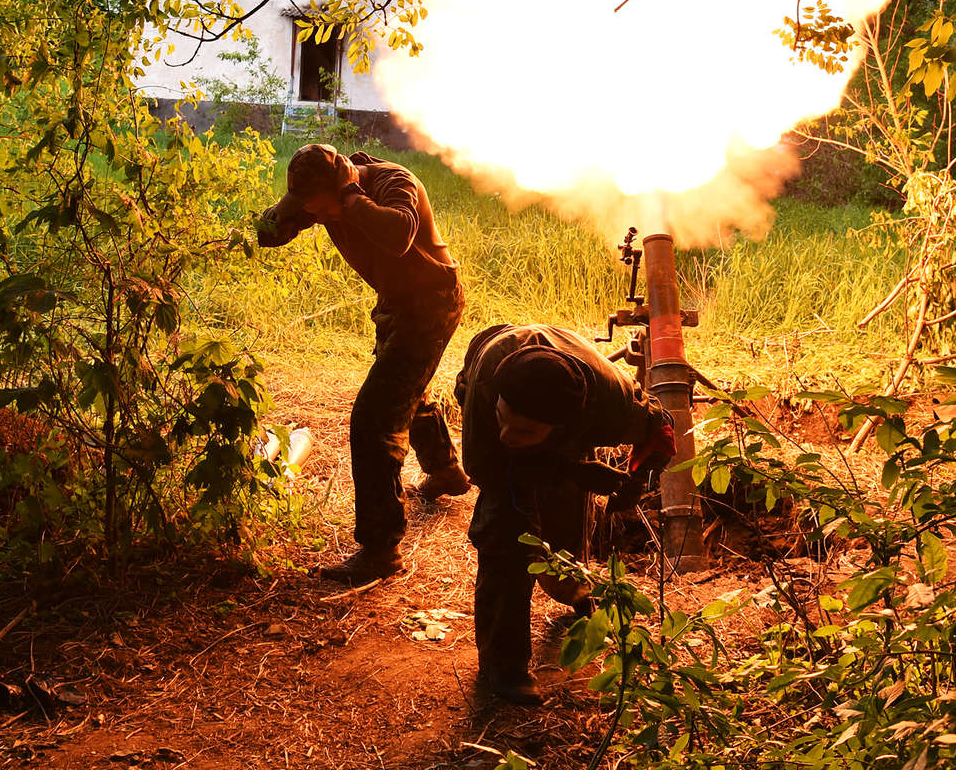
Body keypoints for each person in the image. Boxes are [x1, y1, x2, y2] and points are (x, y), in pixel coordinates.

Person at [257, 144, 470, 583]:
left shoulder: (394, 182)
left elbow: (399, 235)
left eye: (323, 208)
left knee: (375, 418)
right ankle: (446, 471)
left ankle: (381, 548)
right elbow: (269, 233)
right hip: (396, 302)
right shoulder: (319, 197)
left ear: (346, 185)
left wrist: (352, 200)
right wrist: (286, 211)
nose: (318, 216)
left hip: (432, 301)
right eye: (311, 209)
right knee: (407, 391)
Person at [456, 324, 676, 705]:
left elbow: (663, 428)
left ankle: (574, 588)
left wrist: (636, 482)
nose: (507, 435)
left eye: (523, 431)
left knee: (565, 511)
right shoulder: (488, 391)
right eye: (504, 419)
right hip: (491, 354)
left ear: (563, 428)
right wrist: (570, 470)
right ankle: (503, 665)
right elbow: (487, 470)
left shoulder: (614, 407)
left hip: (567, 415)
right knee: (506, 528)